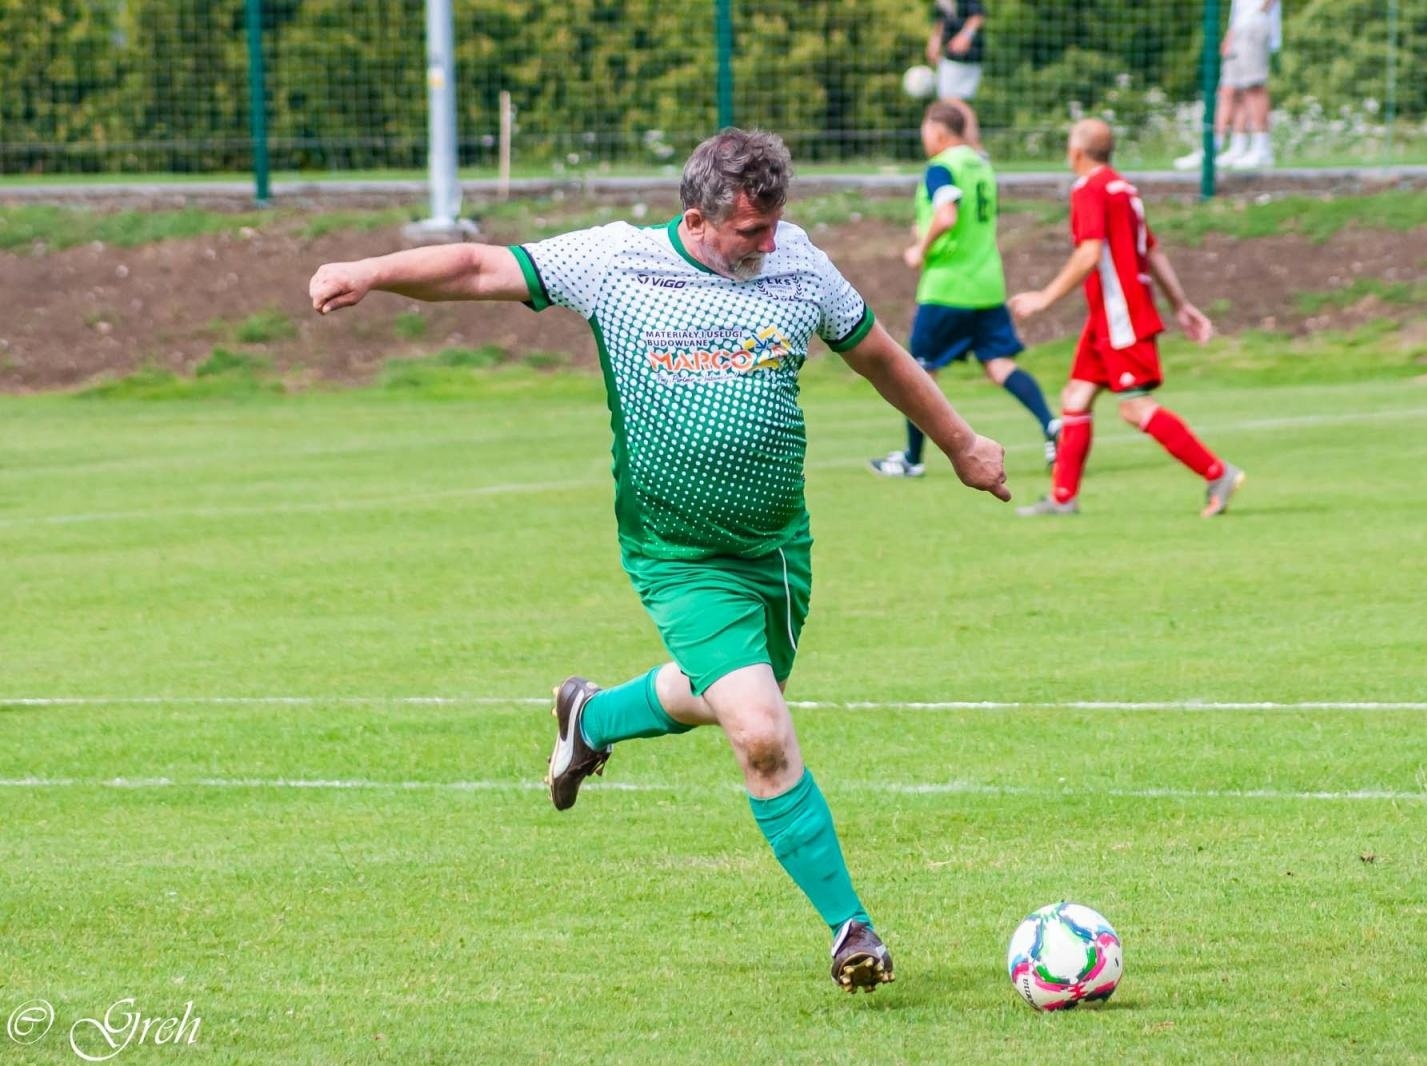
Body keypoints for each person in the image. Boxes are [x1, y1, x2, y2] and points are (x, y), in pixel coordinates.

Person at [307, 129, 1009, 993]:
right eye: (751, 231)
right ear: (697, 219)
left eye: (776, 223)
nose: (769, 243)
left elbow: (880, 358)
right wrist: (371, 270)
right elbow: (481, 268)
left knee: (731, 694)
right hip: (678, 553)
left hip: (778, 550)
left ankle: (591, 720)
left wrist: (963, 443)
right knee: (759, 729)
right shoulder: (616, 264)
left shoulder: (799, 266)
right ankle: (851, 929)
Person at [1010, 119, 1245, 518]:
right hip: (1109, 316)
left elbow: (1088, 253)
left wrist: (1044, 298)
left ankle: (1217, 473)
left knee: (1134, 407)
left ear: (1077, 153)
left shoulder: (1088, 189)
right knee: (1076, 397)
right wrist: (1181, 304)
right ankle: (1062, 499)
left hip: (1121, 316)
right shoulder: (1125, 189)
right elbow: (1153, 252)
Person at [869, 102, 1058, 479]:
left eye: (925, 130)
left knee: (918, 371)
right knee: (1000, 364)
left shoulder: (942, 167)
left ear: (938, 132)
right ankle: (1052, 426)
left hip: (948, 288)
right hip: (987, 284)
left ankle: (912, 458)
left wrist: (919, 249)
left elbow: (947, 214)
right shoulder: (981, 164)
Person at [1174, 0, 1282, 170]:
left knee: (1254, 88)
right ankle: (1227, 148)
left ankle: (1262, 149)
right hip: (1239, 28)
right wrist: (1231, 34)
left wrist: (1258, 15)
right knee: (1229, 90)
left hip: (1254, 26)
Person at [927, 0, 986, 101]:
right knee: (947, 99)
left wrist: (965, 36)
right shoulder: (941, 3)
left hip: (967, 55)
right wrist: (935, 42)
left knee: (952, 100)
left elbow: (978, 17)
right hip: (949, 55)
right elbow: (940, 21)